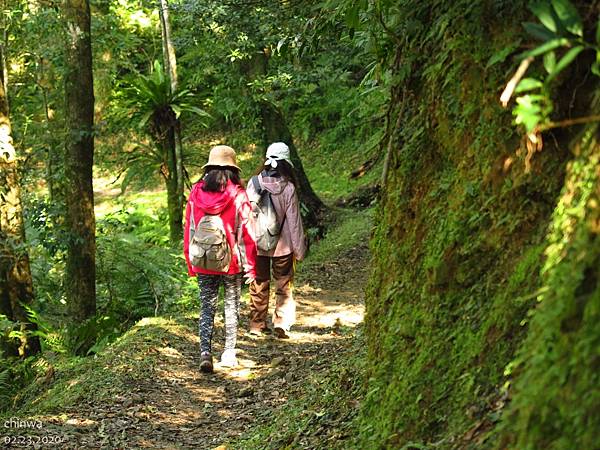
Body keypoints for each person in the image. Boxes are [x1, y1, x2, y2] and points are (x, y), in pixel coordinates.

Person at [183, 145, 257, 373]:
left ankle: (205, 352)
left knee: (206, 306)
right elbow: (247, 234)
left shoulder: (195, 194)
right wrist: (250, 266)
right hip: (231, 262)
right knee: (231, 306)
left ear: (209, 169)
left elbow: (190, 230)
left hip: (203, 260)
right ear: (233, 170)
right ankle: (228, 352)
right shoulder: (238, 195)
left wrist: (190, 261)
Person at [247, 142, 306, 339]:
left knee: (259, 283)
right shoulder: (288, 187)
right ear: (286, 163)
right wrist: (299, 250)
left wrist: (244, 246)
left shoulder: (254, 183)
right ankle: (281, 322)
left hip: (258, 244)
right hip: (284, 246)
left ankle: (256, 324)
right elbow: (294, 222)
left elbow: (246, 216)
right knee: (283, 283)